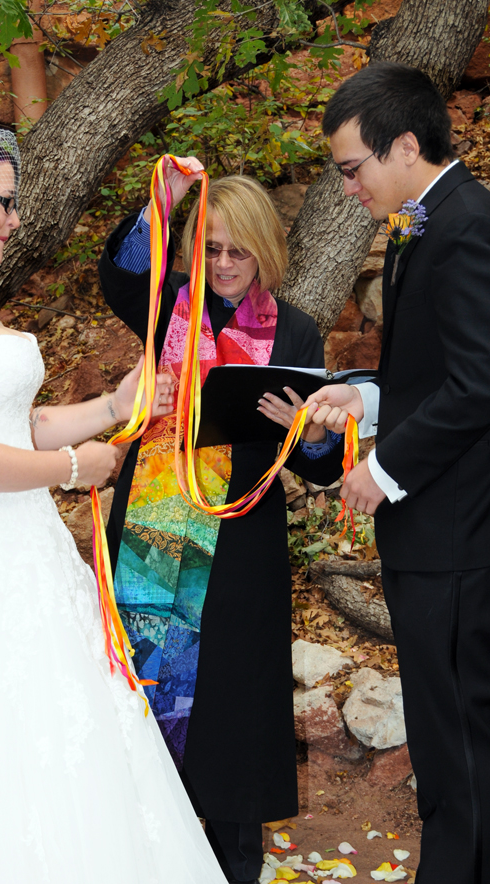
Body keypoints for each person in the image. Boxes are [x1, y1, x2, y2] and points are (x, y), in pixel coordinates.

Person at [0, 109, 231, 883]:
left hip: (14, 546)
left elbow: (18, 422)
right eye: (3, 202)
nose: (14, 220)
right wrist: (77, 470)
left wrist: (111, 409)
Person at [98, 161, 345, 884]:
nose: (225, 265)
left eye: (240, 251)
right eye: (212, 249)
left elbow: (323, 464)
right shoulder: (166, 305)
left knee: (234, 705)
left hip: (239, 547)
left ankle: (235, 862)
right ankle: (147, 848)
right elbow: (120, 272)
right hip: (151, 529)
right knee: (143, 692)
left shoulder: (295, 333)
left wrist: (308, 433)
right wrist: (165, 202)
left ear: (265, 250)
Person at [304, 62, 490, 884]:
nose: (349, 189)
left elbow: (482, 381)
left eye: (354, 169)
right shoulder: (432, 220)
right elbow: (441, 371)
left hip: (459, 534)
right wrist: (370, 395)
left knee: (461, 742)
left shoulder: (466, 226)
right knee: (450, 737)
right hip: (443, 533)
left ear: (406, 144)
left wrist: (385, 468)